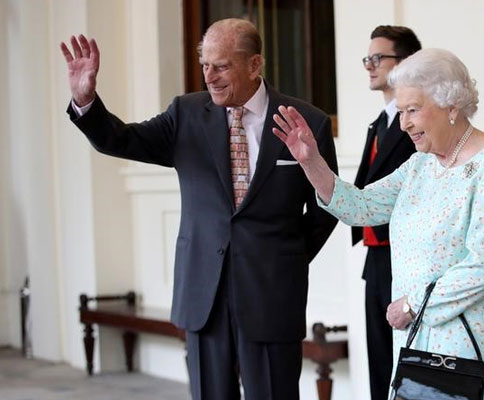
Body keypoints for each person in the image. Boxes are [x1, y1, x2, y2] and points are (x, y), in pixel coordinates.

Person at [60, 18, 338, 400]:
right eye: (204, 64)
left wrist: (287, 257)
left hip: (272, 293)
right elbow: (121, 139)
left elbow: (327, 207)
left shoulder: (308, 121)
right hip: (203, 296)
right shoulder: (186, 114)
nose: (210, 76)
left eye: (221, 66)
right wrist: (86, 102)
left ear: (255, 65)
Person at [273, 48, 484, 399]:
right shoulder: (420, 166)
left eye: (412, 110)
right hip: (414, 335)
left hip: (468, 343)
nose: (403, 123)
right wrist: (311, 161)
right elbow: (361, 207)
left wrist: (411, 306)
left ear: (451, 106)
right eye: (401, 110)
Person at [356, 25, 420, 400]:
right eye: (367, 58)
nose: (370, 65)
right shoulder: (378, 122)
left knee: (406, 359)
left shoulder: (417, 122)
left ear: (406, 62)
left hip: (405, 255)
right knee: (378, 358)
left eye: (378, 58)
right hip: (376, 258)